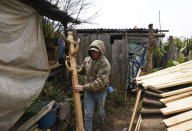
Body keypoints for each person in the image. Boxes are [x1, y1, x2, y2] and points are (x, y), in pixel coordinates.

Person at [74, 40, 111, 131]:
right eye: (92, 51)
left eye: (96, 51)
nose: (93, 53)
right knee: (88, 114)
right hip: (89, 93)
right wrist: (72, 63)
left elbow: (99, 83)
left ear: (101, 51)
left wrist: (83, 87)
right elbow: (82, 70)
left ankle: (100, 121)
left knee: (100, 112)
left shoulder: (105, 64)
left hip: (100, 92)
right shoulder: (87, 60)